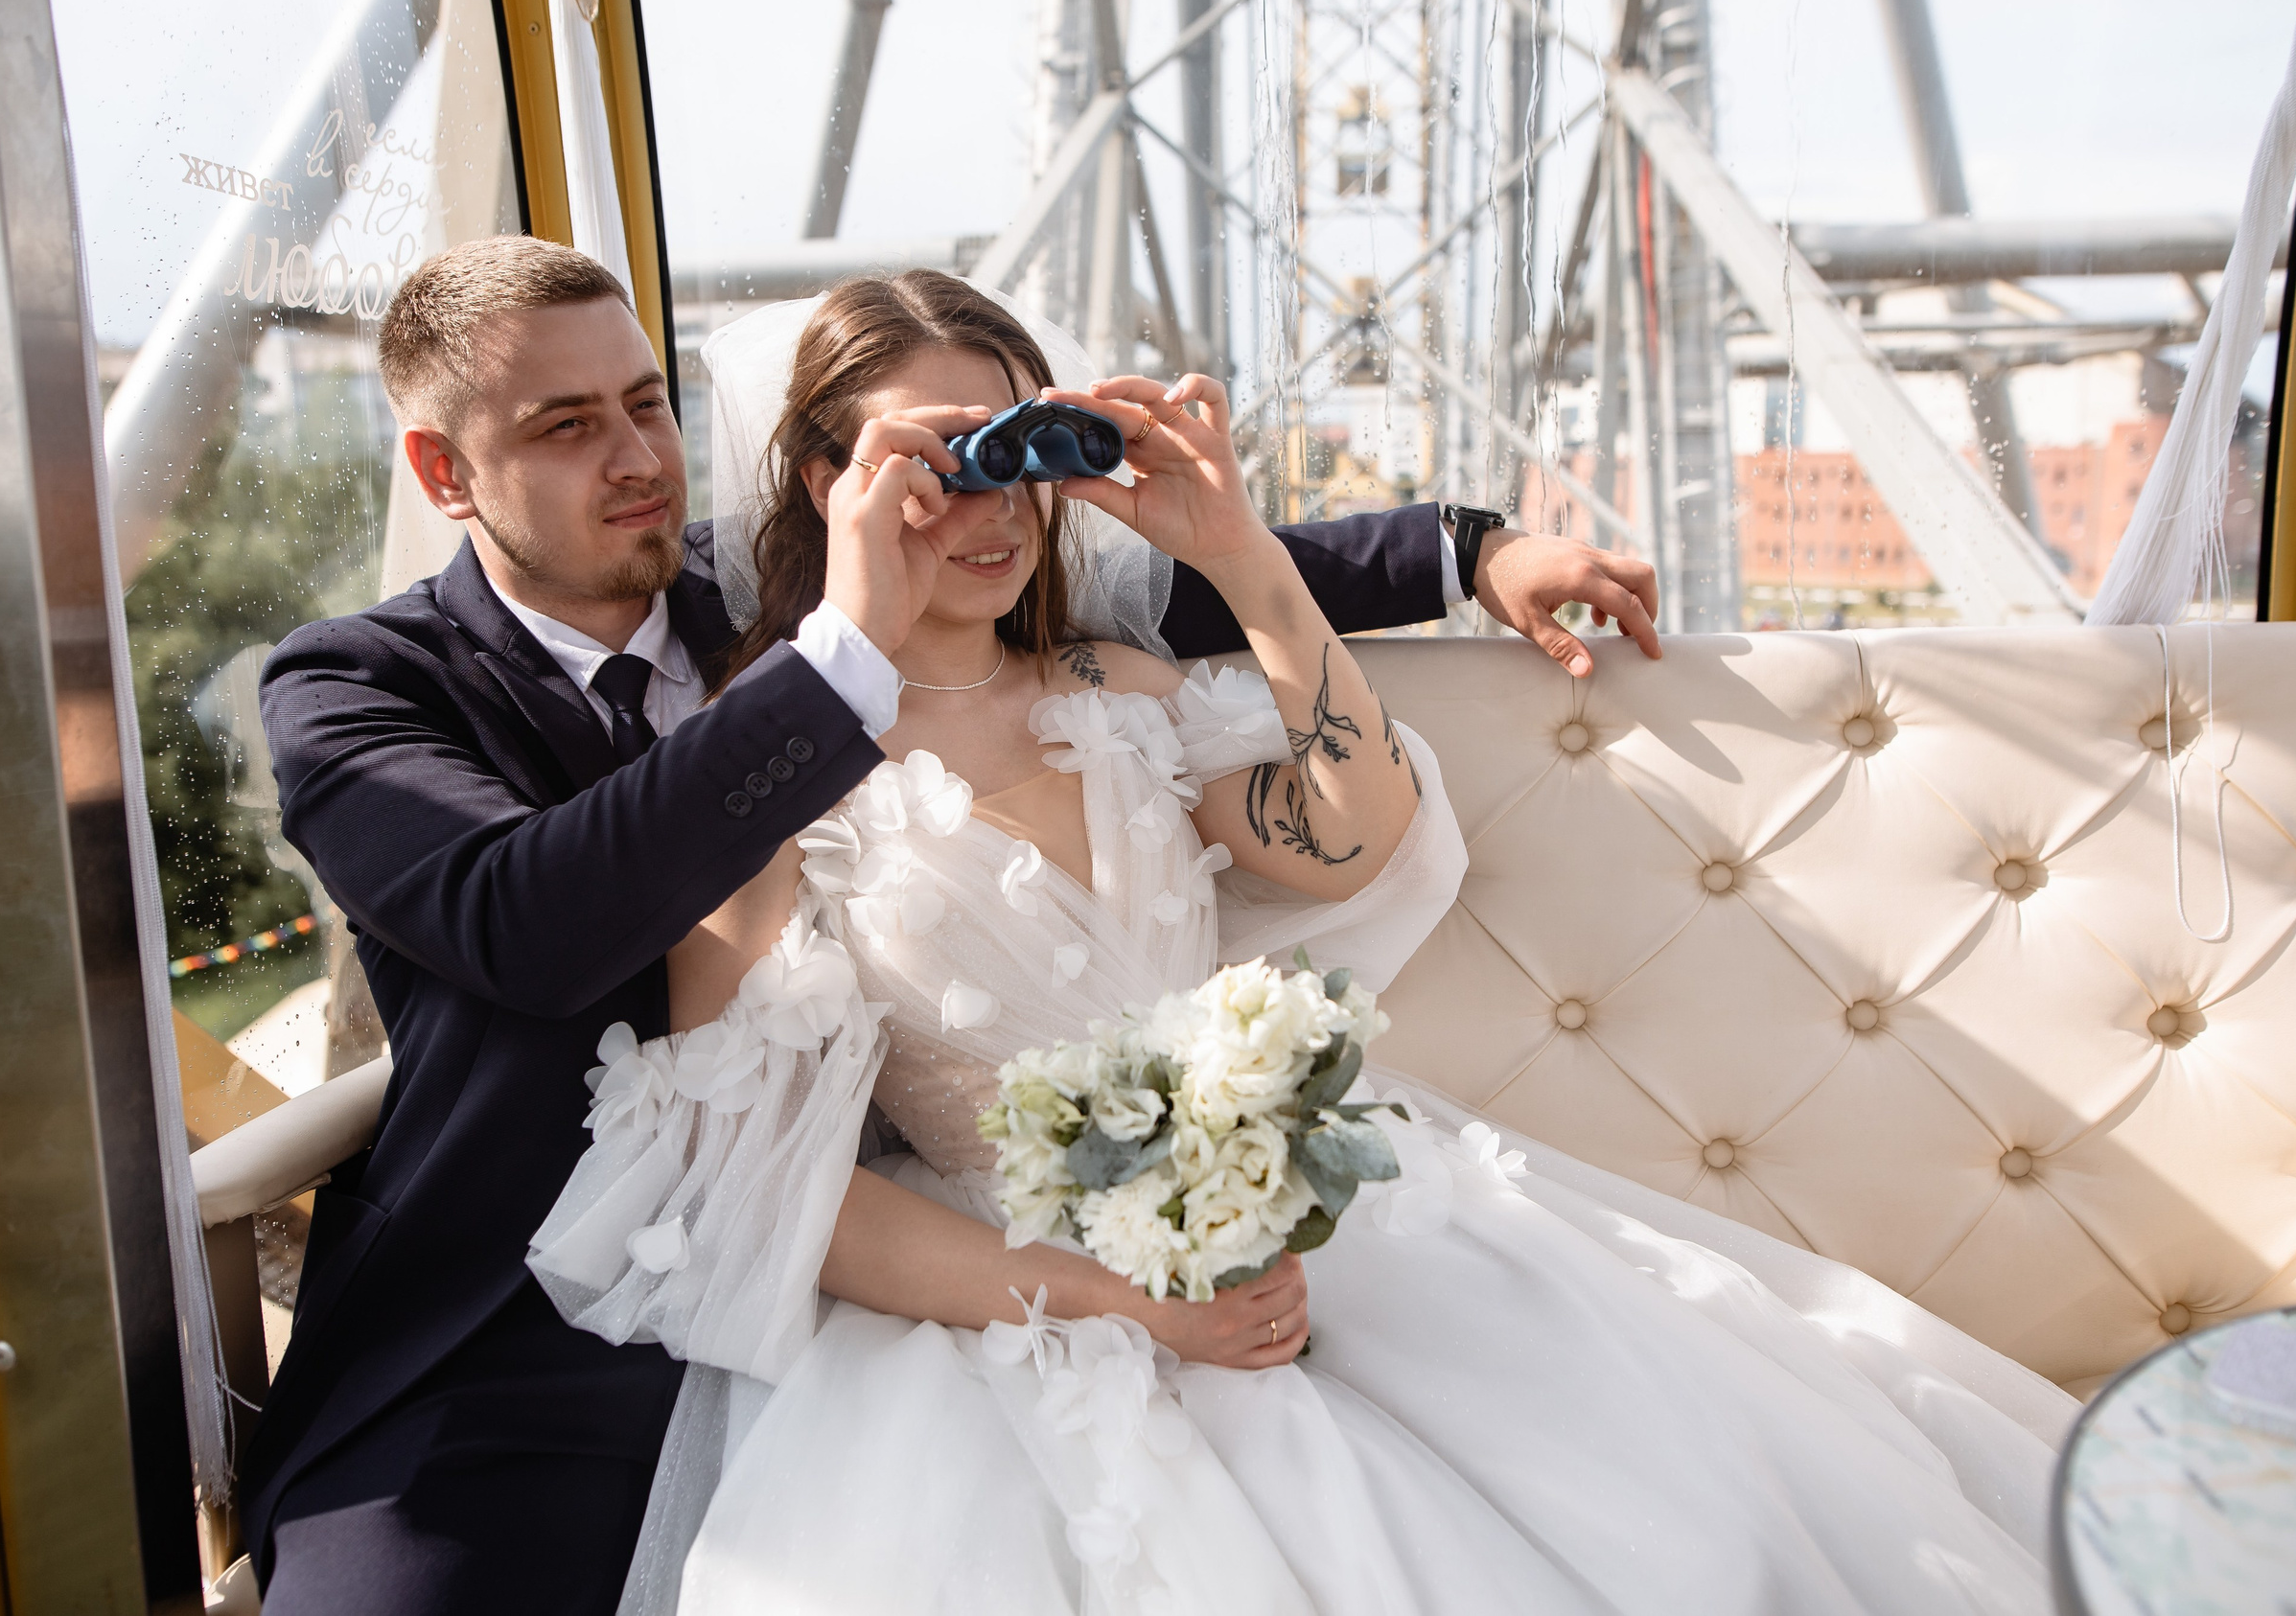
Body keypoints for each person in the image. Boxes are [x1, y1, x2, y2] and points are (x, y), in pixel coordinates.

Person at [531, 270, 2075, 1615]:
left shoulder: (1117, 689)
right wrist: (1136, 1306)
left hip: (1321, 1219)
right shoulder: (753, 775)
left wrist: (1242, 559)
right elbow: (780, 1196)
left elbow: (1360, 830)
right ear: (822, 483)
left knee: (1705, 1529)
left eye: (1020, 452)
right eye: (938, 464)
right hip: (1014, 1303)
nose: (991, 506)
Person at [240, 236, 1661, 1614]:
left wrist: (1464, 546)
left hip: (857, 1243)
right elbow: (528, 925)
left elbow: (1117, 567)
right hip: (518, 1308)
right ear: (443, 470)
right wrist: (838, 656)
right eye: (565, 426)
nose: (637, 462)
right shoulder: (357, 687)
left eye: (647, 406)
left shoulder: (784, 573)